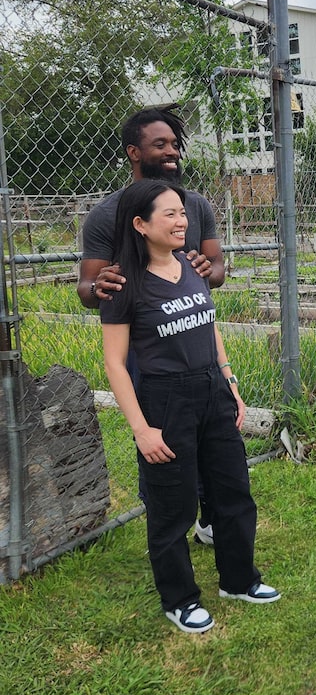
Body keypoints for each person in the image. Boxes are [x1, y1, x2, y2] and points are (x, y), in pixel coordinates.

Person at [100, 179, 280, 633]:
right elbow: (116, 365)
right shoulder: (124, 282)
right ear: (140, 224)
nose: (182, 221)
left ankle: (239, 579)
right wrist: (142, 429)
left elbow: (210, 325)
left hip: (212, 392)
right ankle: (179, 599)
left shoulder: (191, 265)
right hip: (165, 398)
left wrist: (230, 381)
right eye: (170, 214)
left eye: (183, 212)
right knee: (172, 507)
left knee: (232, 490)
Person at [78, 104, 224, 546]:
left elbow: (217, 267)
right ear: (133, 153)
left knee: (208, 433)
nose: (172, 152)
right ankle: (166, 521)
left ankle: (210, 518)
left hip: (196, 337)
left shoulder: (194, 206)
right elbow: (86, 287)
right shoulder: (107, 215)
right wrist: (98, 285)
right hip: (148, 349)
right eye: (160, 144)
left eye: (175, 145)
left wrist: (207, 268)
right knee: (162, 437)